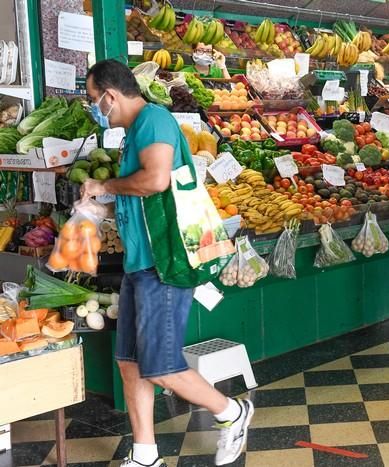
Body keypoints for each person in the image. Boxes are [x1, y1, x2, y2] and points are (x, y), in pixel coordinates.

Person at [80, 60, 251, 467]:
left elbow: (156, 180)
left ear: (110, 95)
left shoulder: (153, 120)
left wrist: (104, 185)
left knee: (161, 367)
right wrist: (98, 212)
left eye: (93, 100)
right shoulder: (135, 133)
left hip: (166, 263)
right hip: (141, 263)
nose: (95, 108)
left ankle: (232, 412)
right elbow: (143, 201)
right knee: (130, 363)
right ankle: (145, 455)